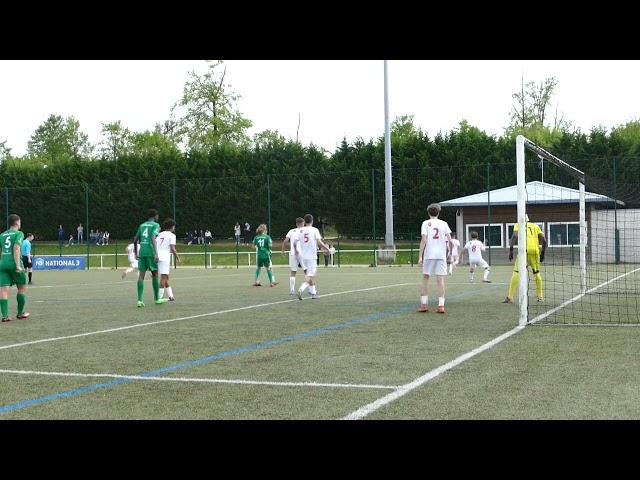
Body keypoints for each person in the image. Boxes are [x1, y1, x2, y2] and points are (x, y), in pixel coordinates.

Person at [503, 214, 547, 304]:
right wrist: (542, 253)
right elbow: (544, 240)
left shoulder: (518, 224)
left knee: (516, 272)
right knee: (536, 273)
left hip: (524, 251)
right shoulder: (535, 226)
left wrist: (511, 250)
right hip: (535, 251)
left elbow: (514, 236)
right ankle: (540, 297)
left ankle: (510, 297)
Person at [417, 203, 452, 314]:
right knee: (440, 280)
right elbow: (450, 241)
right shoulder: (444, 224)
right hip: (441, 255)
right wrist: (449, 253)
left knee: (426, 278)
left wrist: (420, 257)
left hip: (429, 254)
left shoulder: (425, 223)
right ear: (439, 212)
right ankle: (441, 306)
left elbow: (424, 240)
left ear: (428, 213)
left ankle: (424, 304)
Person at [133, 209, 168, 307]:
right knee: (155, 274)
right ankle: (157, 299)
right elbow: (153, 237)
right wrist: (156, 253)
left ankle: (139, 300)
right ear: (155, 216)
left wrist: (136, 253)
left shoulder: (142, 225)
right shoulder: (155, 225)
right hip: (150, 251)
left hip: (142, 251)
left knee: (141, 276)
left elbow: (135, 239)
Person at [0, 214, 29, 322]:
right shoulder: (19, 233)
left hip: (3, 263)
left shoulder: (2, 235)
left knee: (3, 289)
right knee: (21, 288)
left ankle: (5, 316)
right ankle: (20, 313)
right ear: (17, 223)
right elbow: (16, 248)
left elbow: (1, 251)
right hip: (13, 263)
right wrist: (17, 265)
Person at [294, 214, 330, 300]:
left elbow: (295, 242)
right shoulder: (314, 230)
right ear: (312, 221)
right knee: (311, 276)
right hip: (311, 257)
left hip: (303, 257)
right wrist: (326, 248)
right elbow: (319, 242)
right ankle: (302, 288)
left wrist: (296, 250)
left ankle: (313, 292)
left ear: (304, 221)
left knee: (308, 274)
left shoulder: (300, 230)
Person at [157, 218, 180, 301]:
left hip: (156, 256)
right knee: (163, 277)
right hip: (164, 257)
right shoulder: (172, 235)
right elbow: (173, 248)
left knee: (166, 276)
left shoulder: (160, 234)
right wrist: (177, 257)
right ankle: (158, 298)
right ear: (172, 227)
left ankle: (171, 295)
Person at [282, 217, 305, 295]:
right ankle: (309, 288)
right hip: (302, 253)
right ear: (303, 223)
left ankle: (292, 290)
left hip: (293, 254)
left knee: (293, 272)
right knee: (307, 271)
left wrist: (283, 251)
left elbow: (285, 241)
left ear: (296, 223)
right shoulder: (305, 231)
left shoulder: (291, 231)